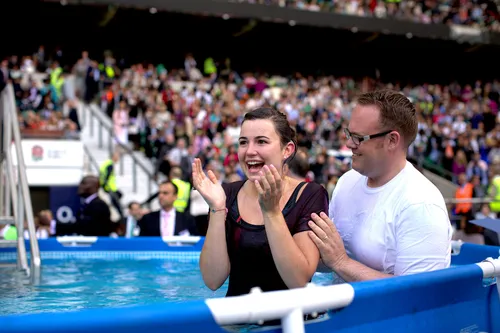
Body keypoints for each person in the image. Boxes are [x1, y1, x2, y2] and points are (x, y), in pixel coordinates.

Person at [308, 90, 452, 282]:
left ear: (392, 140)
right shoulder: (347, 181)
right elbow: (328, 258)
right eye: (349, 133)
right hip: (340, 309)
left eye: (359, 137)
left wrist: (342, 262)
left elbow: (418, 295)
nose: (349, 143)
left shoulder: (421, 204)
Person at [193, 107, 329, 297]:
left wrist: (272, 211)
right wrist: (217, 209)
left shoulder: (310, 194)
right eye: (243, 142)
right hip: (239, 321)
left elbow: (299, 281)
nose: (249, 151)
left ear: (287, 150)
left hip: (290, 321)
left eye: (261, 142)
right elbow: (212, 280)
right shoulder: (227, 194)